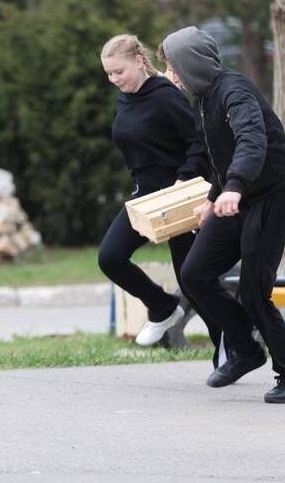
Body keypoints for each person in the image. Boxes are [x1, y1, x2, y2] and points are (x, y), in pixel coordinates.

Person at [159, 26, 285, 404]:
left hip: (268, 199)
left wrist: (234, 187)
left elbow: (251, 140)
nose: (171, 74)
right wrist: (214, 197)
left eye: (174, 66)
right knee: (194, 273)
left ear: (192, 64)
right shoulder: (206, 97)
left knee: (254, 291)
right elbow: (221, 156)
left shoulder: (235, 91)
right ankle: (244, 348)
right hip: (236, 196)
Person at [98, 34, 223, 357]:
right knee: (110, 257)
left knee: (194, 281)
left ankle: (230, 347)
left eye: (119, 72)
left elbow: (199, 143)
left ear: (139, 61)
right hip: (146, 198)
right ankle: (164, 307)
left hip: (177, 198)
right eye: (109, 74)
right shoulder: (126, 96)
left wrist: (183, 182)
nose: (114, 80)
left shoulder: (166, 96)